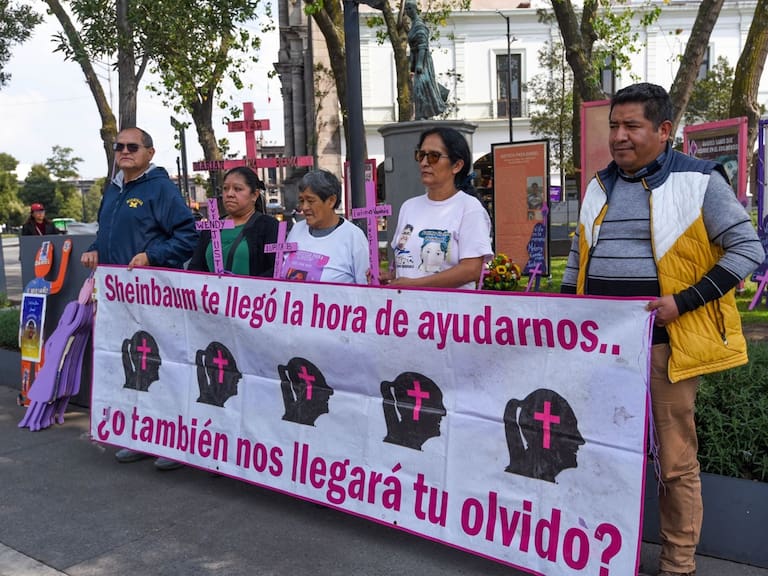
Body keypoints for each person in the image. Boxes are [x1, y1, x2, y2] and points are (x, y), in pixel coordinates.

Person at [561, 83, 764, 576]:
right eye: (614, 126)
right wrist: (561, 315)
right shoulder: (598, 185)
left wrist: (683, 302)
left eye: (632, 126)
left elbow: (749, 251)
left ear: (664, 130)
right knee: (600, 450)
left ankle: (677, 564)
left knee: (674, 462)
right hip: (600, 350)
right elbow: (576, 259)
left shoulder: (699, 181)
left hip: (664, 348)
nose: (619, 136)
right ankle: (601, 550)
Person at [81, 126, 198, 471]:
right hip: (120, 300)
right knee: (131, 368)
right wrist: (94, 250)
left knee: (164, 366)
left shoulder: (160, 188)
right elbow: (108, 234)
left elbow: (187, 235)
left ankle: (175, 443)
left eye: (133, 146)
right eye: (119, 146)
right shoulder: (114, 189)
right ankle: (141, 437)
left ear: (150, 152)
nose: (124, 151)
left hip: (156, 296)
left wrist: (152, 255)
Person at [387, 126, 492, 289]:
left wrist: (415, 285)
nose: (424, 163)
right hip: (406, 310)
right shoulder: (409, 207)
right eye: (421, 155)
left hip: (447, 312)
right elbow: (410, 264)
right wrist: (391, 277)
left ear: (456, 166)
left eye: (433, 156)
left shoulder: (469, 208)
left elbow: (472, 269)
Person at [188, 167, 278, 276]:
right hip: (212, 293)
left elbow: (276, 270)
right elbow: (194, 270)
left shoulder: (269, 226)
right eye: (225, 188)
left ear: (254, 195)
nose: (229, 194)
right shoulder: (211, 227)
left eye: (238, 189)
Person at [284, 170, 369, 284]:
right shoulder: (296, 230)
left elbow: (365, 288)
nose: (304, 207)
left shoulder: (353, 237)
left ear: (331, 201)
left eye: (310, 201)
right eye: (301, 201)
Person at [404, 0, 448, 120]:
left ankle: (423, 113)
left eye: (409, 8)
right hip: (417, 58)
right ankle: (421, 113)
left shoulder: (419, 25)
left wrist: (419, 64)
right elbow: (413, 49)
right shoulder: (413, 25)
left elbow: (423, 46)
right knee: (420, 88)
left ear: (414, 9)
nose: (407, 11)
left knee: (421, 86)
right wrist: (412, 65)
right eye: (406, 9)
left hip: (423, 62)